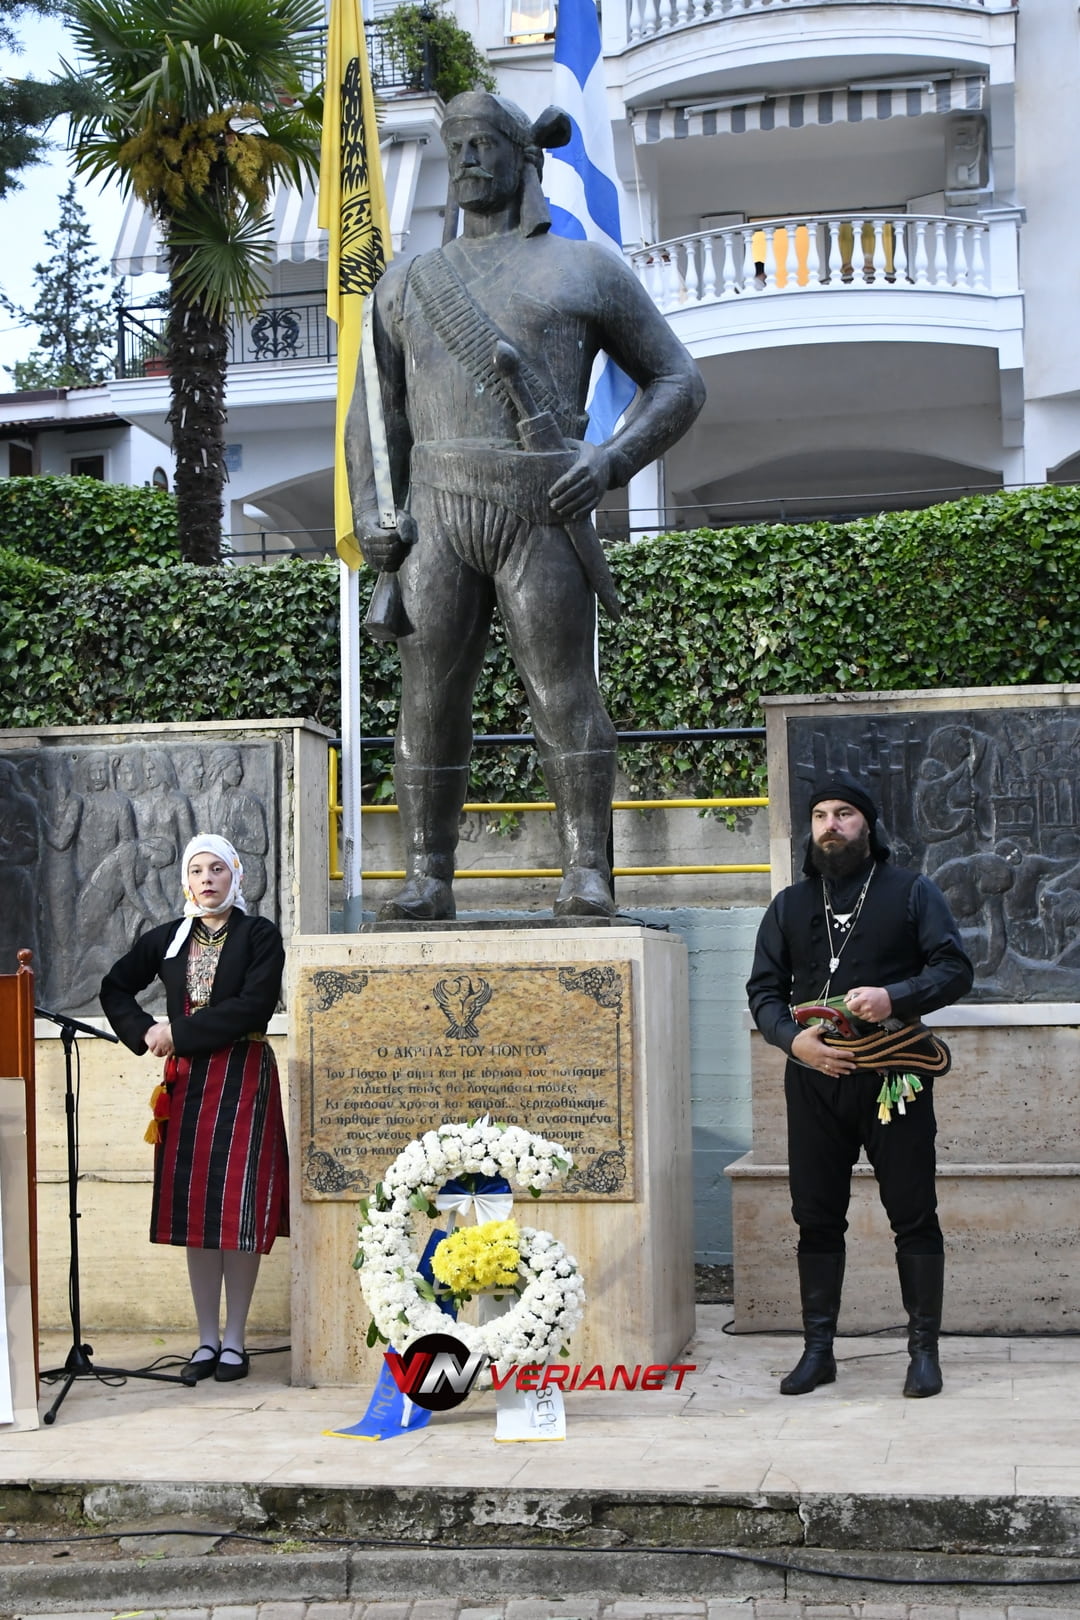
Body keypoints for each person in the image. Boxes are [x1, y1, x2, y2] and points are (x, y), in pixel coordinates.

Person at [346, 91, 705, 922]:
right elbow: (376, 415)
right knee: (427, 699)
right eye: (456, 146)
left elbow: (679, 380)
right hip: (436, 514)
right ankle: (427, 874)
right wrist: (372, 511)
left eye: (483, 143)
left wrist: (609, 460)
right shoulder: (405, 283)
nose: (468, 158)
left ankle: (587, 870)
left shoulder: (585, 269)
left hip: (540, 508)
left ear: (523, 155)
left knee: (563, 690)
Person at [745, 772, 973, 1400]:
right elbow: (764, 991)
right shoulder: (789, 905)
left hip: (894, 1079)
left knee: (914, 1215)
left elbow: (955, 968)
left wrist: (895, 995)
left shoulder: (911, 891)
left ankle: (923, 1353)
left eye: (844, 814)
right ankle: (818, 1352)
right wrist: (793, 1042)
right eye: (820, 815)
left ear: (866, 825)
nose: (831, 825)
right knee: (816, 1218)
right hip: (814, 1081)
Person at [100, 834, 288, 1383]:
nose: (207, 879)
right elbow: (114, 987)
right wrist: (145, 1031)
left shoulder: (259, 935)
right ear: (186, 880)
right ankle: (206, 1340)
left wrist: (177, 1032)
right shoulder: (168, 938)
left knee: (237, 1203)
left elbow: (253, 1004)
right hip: (187, 1083)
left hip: (243, 1074)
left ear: (236, 876)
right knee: (198, 1208)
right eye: (197, 871)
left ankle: (235, 1340)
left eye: (217, 869)